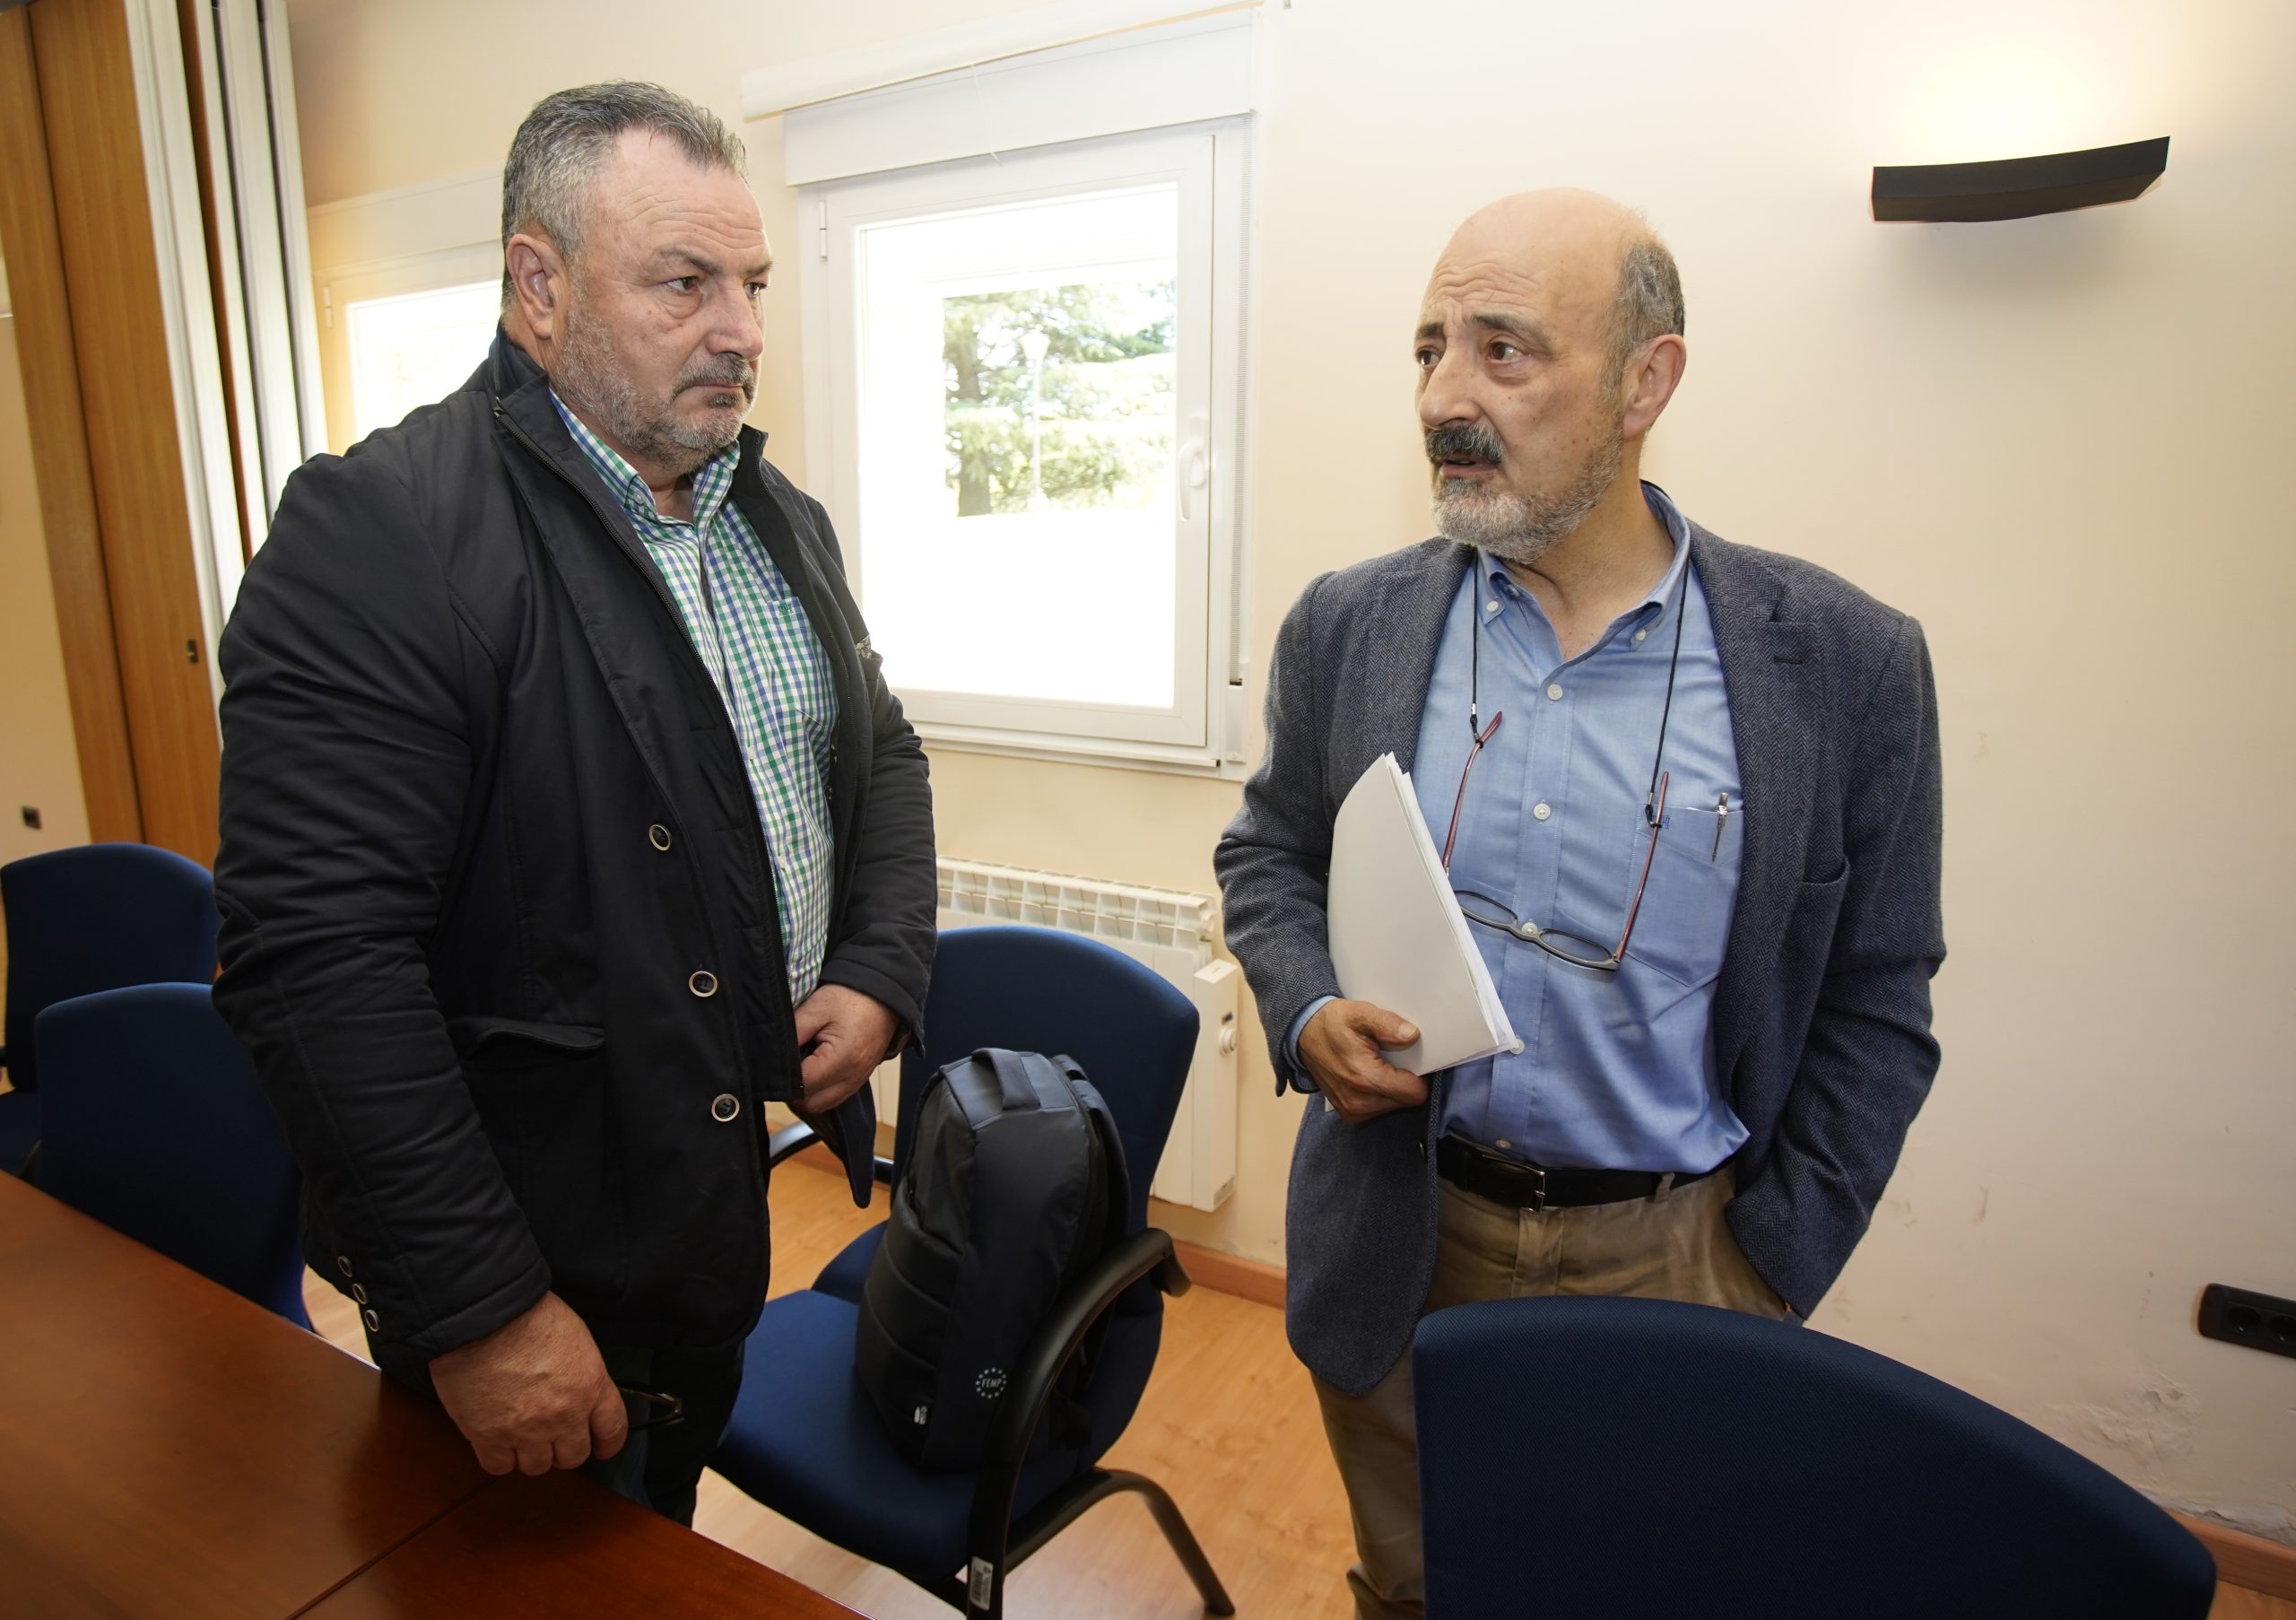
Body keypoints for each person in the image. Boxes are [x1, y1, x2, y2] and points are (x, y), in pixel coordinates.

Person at [1213, 188, 1944, 1616]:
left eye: (1504, 351)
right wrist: (1304, 1011)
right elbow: (1270, 858)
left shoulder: (1845, 664)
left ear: (1645, 382)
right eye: (1428, 349)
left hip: (1681, 1258)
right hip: (1401, 1237)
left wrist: (1769, 1261)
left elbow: (1881, 996)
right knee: (1419, 1583)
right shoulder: (1347, 624)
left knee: (1643, 1582)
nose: (1444, 397)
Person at [213, 82, 936, 1525]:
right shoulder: (387, 529)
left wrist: (877, 967)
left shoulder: (773, 515)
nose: (739, 326)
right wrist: (484, 1310)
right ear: (536, 287)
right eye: (685, 282)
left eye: (752, 285)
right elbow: (316, 962)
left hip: (704, 1214)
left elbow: (881, 755)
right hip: (537, 1260)